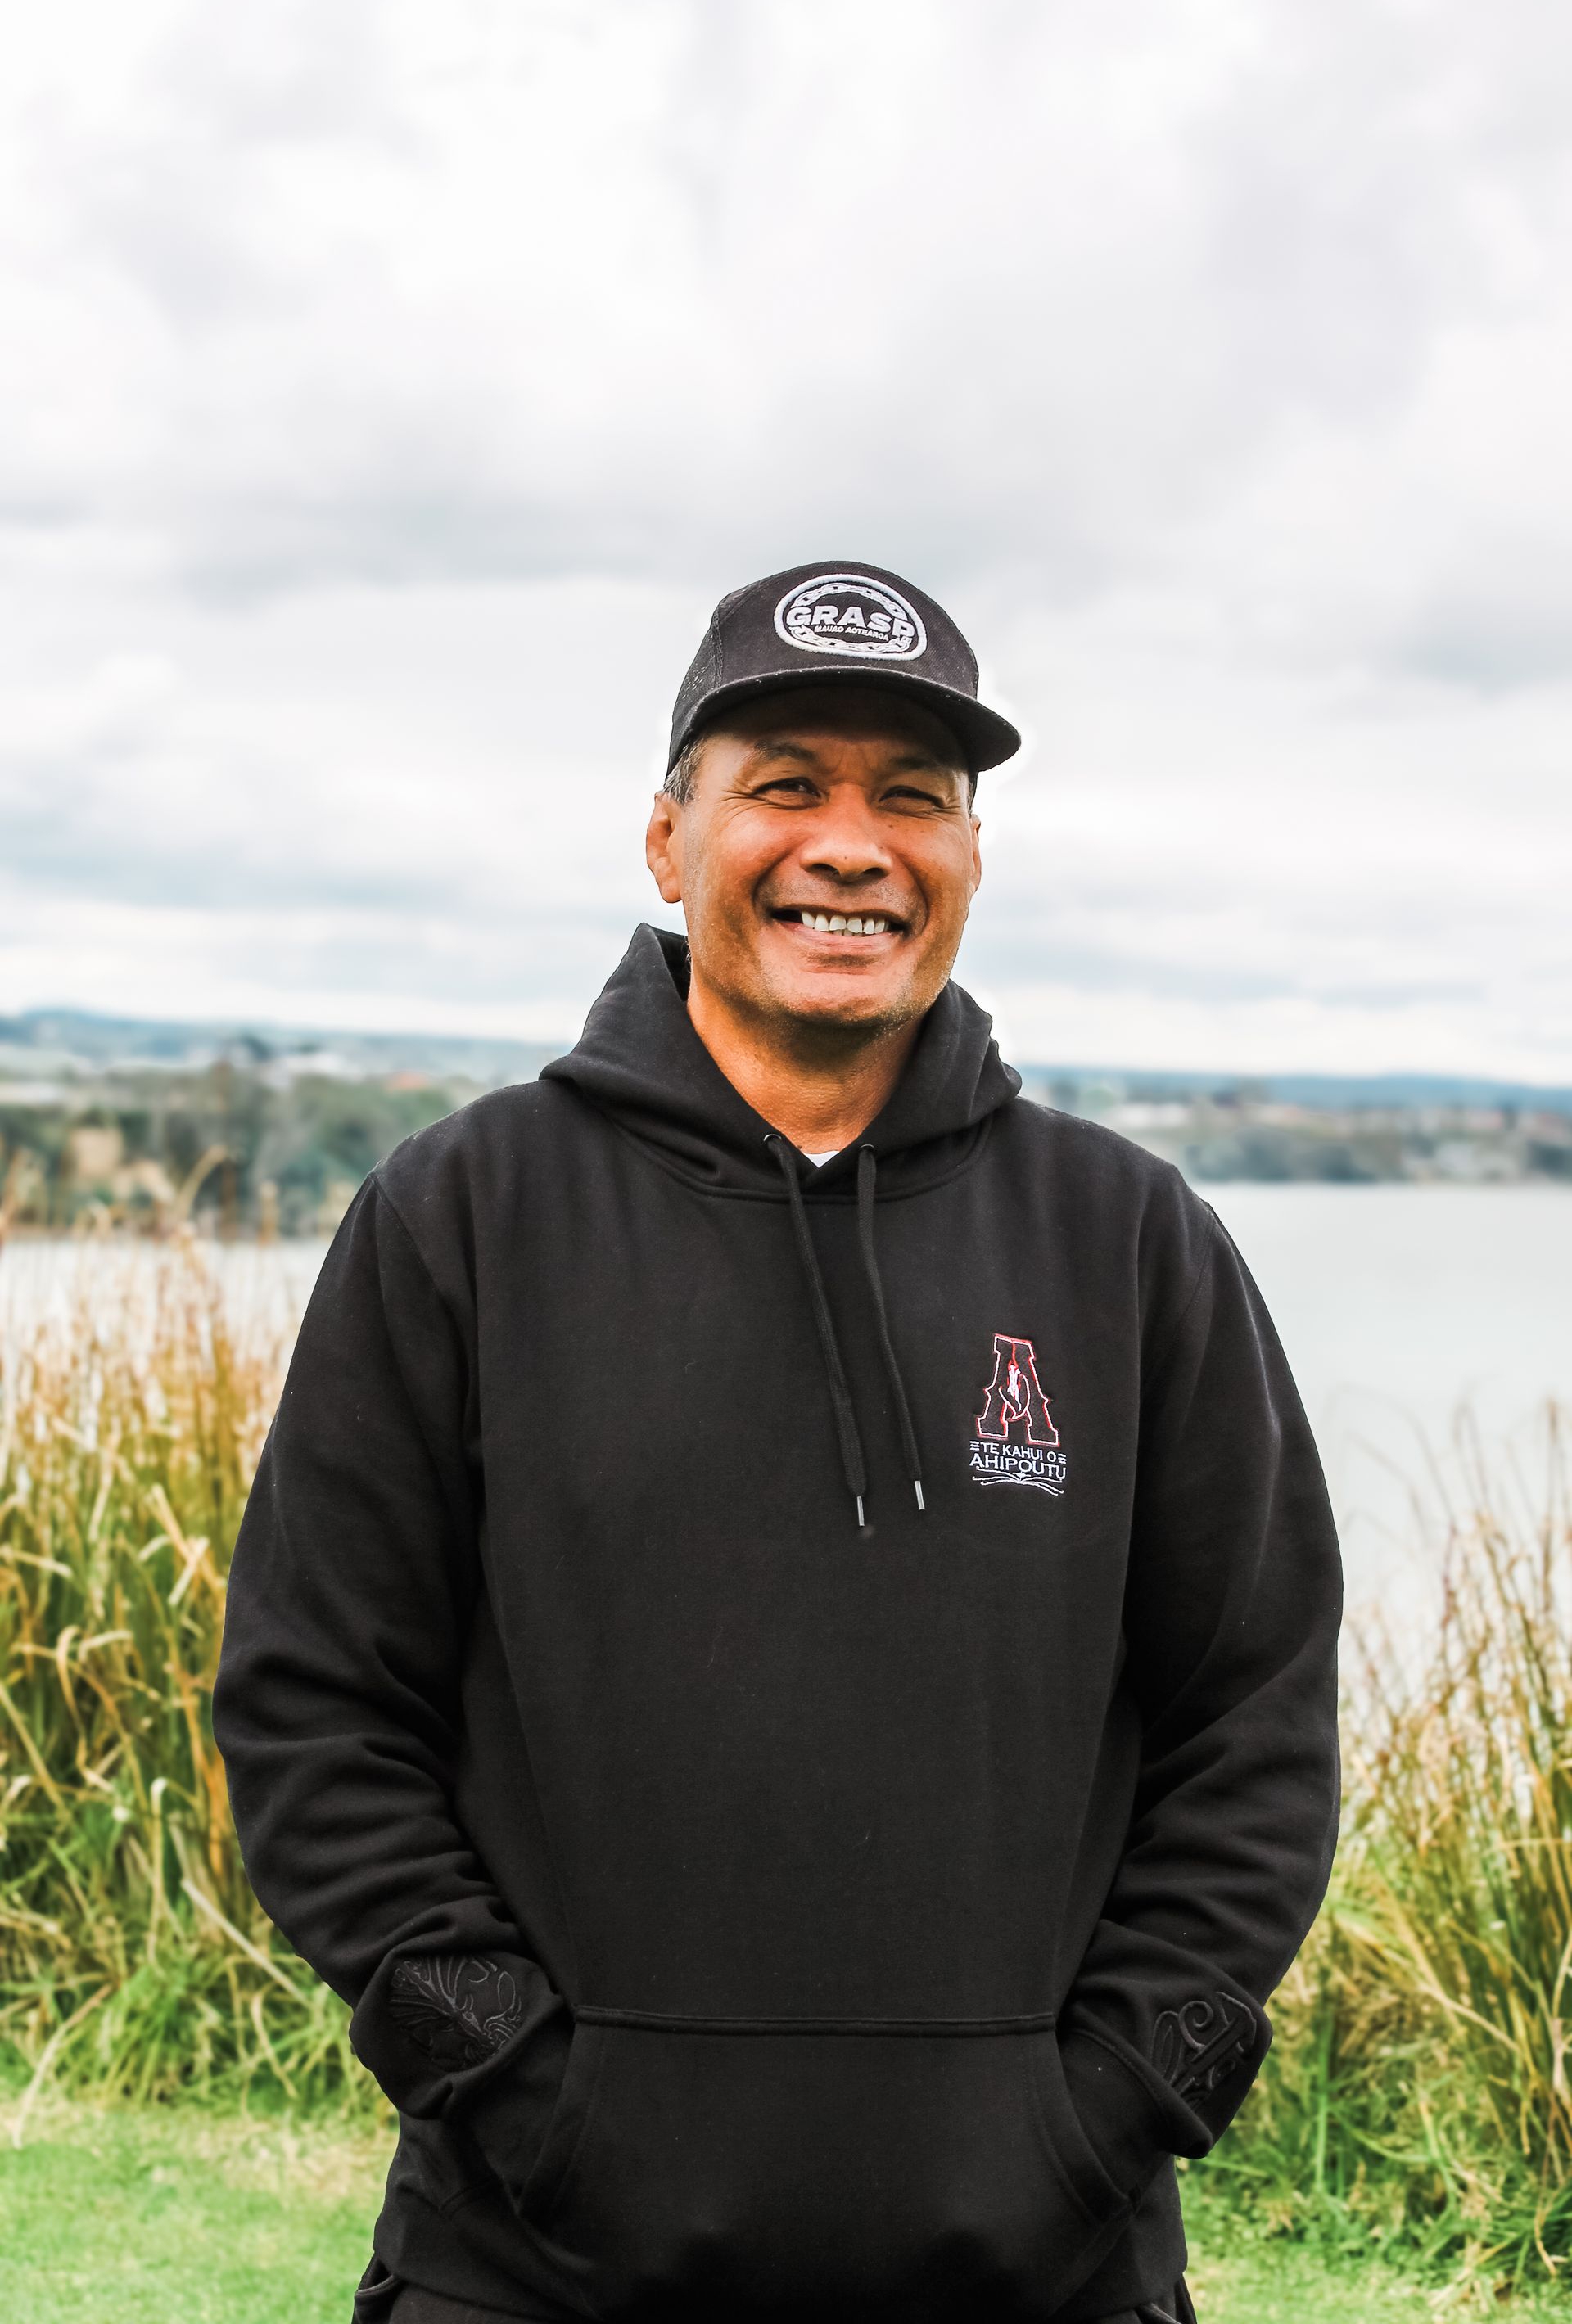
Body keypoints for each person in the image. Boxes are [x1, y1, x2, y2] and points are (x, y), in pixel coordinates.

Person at [213, 560, 1342, 2324]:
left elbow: (1253, 1719)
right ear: (670, 842)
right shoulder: (461, 1218)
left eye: (915, 797)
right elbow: (315, 1705)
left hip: (1048, 2267)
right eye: (787, 785)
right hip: (531, 2262)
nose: (853, 844)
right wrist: (517, 2091)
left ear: (971, 858)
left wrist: (1116, 2105)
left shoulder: (1132, 1241)